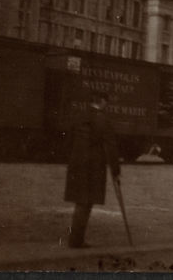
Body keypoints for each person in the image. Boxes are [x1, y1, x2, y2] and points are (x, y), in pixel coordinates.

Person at [64, 90, 120, 248]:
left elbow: (68, 141)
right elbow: (111, 147)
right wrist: (116, 171)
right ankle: (76, 241)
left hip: (76, 165)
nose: (106, 106)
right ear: (101, 101)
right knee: (86, 203)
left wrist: (72, 159)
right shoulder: (103, 119)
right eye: (106, 103)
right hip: (93, 167)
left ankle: (76, 239)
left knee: (80, 201)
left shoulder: (78, 116)